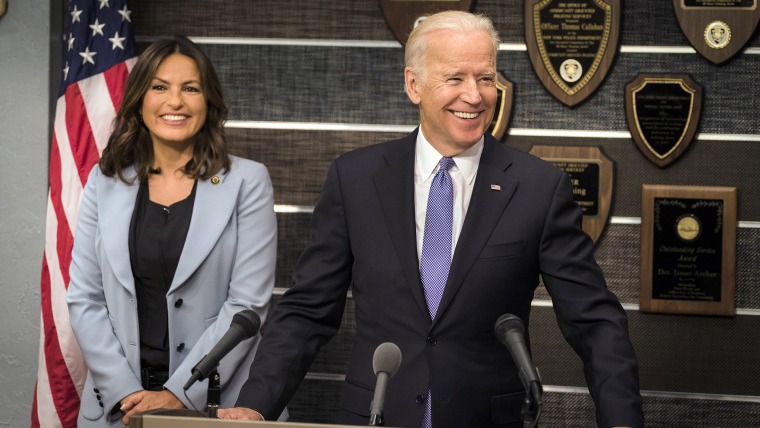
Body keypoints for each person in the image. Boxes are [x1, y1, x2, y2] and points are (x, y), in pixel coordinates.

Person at [220, 10, 644, 428]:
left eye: (485, 77)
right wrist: (256, 406)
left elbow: (594, 321)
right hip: (377, 416)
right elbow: (308, 310)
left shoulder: (538, 188)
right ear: (413, 84)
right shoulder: (356, 179)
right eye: (455, 78)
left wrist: (622, 420)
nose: (475, 96)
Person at [66, 37, 278, 427]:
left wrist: (178, 394)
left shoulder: (248, 182)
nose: (175, 102)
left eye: (190, 88)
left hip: (214, 403)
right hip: (118, 406)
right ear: (139, 100)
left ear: (208, 101)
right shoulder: (105, 181)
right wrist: (126, 392)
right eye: (159, 87)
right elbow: (85, 298)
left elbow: (246, 305)